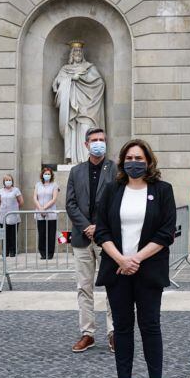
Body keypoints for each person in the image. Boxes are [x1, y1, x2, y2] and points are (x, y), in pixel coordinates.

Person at [94, 139, 176, 378]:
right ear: (122, 161)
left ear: (149, 161)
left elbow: (166, 233)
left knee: (150, 325)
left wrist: (136, 259)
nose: (134, 162)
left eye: (139, 158)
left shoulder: (163, 191)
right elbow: (102, 230)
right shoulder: (111, 190)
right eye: (129, 157)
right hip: (117, 270)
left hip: (148, 270)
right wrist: (120, 259)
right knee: (122, 327)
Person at [65, 127, 116, 353]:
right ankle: (87, 333)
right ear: (86, 144)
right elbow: (70, 203)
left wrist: (100, 227)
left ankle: (114, 332)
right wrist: (86, 227)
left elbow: (118, 201)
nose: (98, 143)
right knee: (84, 287)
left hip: (108, 238)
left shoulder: (115, 169)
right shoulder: (76, 171)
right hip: (82, 238)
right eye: (94, 140)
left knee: (113, 287)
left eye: (102, 140)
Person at [34, 166, 61, 260]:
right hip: (39, 213)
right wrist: (40, 209)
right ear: (42, 175)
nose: (47, 175)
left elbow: (54, 199)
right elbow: (34, 198)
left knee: (51, 234)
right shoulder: (38, 185)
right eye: (45, 174)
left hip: (51, 213)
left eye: (48, 174)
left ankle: (50, 253)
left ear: (51, 175)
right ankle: (42, 253)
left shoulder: (54, 185)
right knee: (41, 233)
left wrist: (44, 208)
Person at [0, 175, 23, 258]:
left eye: (9, 180)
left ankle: (12, 251)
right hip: (3, 216)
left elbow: (21, 202)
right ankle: (5, 251)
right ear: (4, 182)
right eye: (6, 180)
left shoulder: (16, 190)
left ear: (12, 181)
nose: (8, 181)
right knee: (4, 234)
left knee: (13, 234)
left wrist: (15, 208)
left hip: (13, 215)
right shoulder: (0, 191)